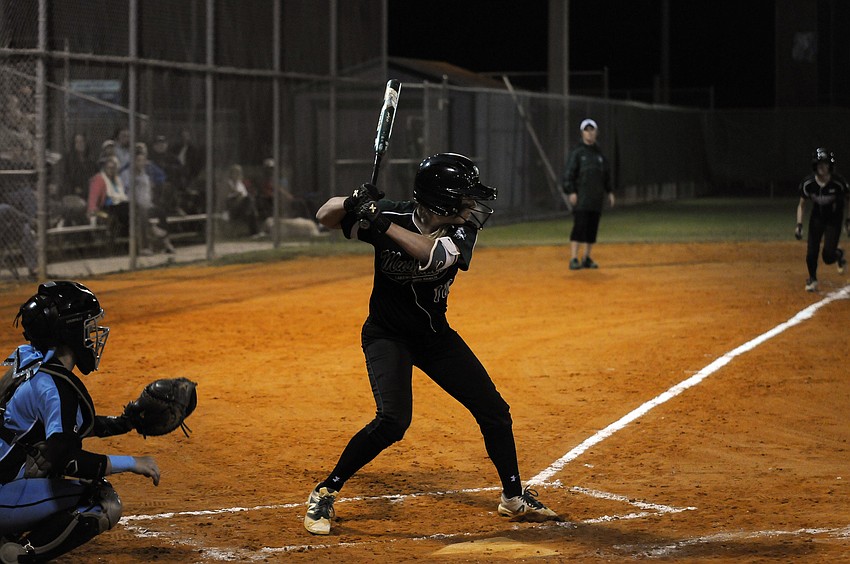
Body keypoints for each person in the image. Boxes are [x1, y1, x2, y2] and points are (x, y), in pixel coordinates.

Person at [304, 152, 558, 535]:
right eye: (466, 197)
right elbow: (324, 217)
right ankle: (326, 491)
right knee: (393, 421)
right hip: (387, 335)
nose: (473, 205)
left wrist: (378, 220)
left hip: (434, 338)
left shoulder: (459, 232)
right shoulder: (392, 213)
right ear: (442, 200)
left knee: (494, 411)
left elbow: (428, 254)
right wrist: (353, 202)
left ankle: (513, 498)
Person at [0, 281, 160, 562]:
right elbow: (65, 457)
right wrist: (132, 462)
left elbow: (60, 425)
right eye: (88, 326)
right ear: (69, 331)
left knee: (41, 458)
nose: (92, 334)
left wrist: (124, 423)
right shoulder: (55, 386)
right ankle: (18, 555)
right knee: (101, 500)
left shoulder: (27, 362)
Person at [562, 118, 615, 270]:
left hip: (596, 198)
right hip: (582, 197)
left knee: (592, 228)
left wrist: (610, 191)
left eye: (592, 130)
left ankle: (586, 257)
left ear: (596, 133)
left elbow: (606, 175)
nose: (590, 133)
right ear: (582, 133)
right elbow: (569, 174)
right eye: (587, 130)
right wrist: (571, 191)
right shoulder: (578, 153)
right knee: (579, 227)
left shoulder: (599, 155)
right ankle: (573, 258)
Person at [795, 147, 850, 292]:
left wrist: (848, 220)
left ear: (830, 165)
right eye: (819, 164)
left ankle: (838, 254)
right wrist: (799, 225)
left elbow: (848, 199)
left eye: (825, 164)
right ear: (814, 165)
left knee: (828, 256)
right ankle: (812, 279)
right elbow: (801, 205)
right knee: (811, 252)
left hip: (834, 219)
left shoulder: (838, 183)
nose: (822, 167)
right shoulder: (808, 184)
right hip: (817, 218)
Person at [120, 146, 175, 255]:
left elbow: (149, 190)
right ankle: (144, 246)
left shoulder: (145, 173)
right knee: (143, 213)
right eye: (138, 161)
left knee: (161, 212)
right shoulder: (127, 173)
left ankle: (165, 241)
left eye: (143, 160)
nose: (141, 163)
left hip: (147, 204)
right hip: (132, 206)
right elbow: (125, 191)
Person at [219, 164, 260, 236]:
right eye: (235, 172)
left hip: (242, 206)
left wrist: (239, 195)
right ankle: (254, 230)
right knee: (250, 203)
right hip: (231, 207)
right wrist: (237, 194)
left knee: (250, 205)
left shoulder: (240, 183)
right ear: (231, 174)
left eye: (239, 172)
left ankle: (254, 232)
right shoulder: (228, 183)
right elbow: (227, 196)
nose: (237, 174)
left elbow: (244, 195)